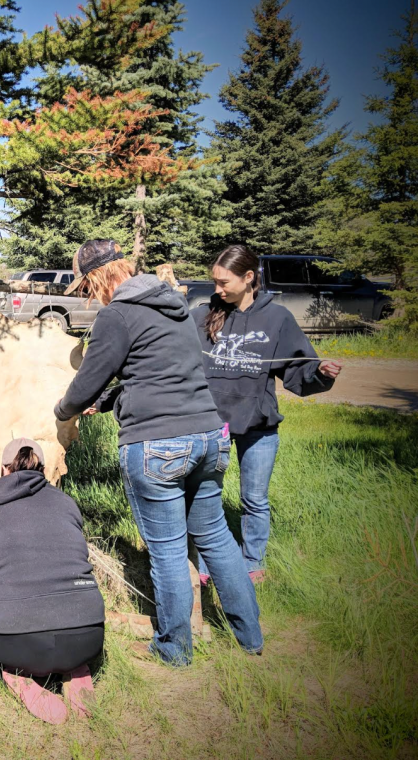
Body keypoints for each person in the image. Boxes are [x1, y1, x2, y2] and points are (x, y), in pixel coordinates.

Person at [54, 239, 262, 666]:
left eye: (89, 289)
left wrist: (63, 410)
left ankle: (174, 649)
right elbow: (159, 369)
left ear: (98, 278)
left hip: (157, 445)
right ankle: (251, 637)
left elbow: (87, 381)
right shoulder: (175, 306)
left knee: (167, 550)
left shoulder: (117, 315)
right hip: (208, 437)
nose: (92, 298)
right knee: (218, 539)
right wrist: (112, 399)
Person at [192, 244, 342, 585]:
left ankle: (252, 562)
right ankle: (203, 565)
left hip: (257, 425)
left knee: (254, 499)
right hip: (209, 424)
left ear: (248, 278)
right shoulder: (202, 315)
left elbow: (297, 371)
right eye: (214, 281)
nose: (217, 289)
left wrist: (322, 374)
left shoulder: (277, 319)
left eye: (223, 282)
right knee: (204, 497)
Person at [0, 438, 105, 724]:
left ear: (4, 469)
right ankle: (76, 669)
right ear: (42, 469)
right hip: (88, 635)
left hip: (16, 640)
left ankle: (17, 676)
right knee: (63, 626)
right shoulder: (66, 502)